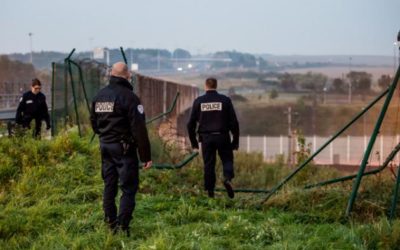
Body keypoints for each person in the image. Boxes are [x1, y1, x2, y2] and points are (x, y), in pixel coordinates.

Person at [90, 62, 152, 236]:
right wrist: (145, 156)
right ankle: (123, 226)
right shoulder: (130, 97)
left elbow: (94, 123)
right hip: (124, 149)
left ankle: (110, 224)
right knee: (128, 187)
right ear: (127, 75)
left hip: (105, 146)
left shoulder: (99, 96)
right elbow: (139, 129)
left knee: (109, 185)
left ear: (111, 74)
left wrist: (105, 136)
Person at [187, 77, 239, 199]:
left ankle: (210, 193)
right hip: (223, 136)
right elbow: (234, 123)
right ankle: (227, 179)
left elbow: (190, 124)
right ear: (216, 85)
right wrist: (235, 141)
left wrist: (194, 143)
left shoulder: (199, 101)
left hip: (206, 138)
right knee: (227, 160)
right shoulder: (225, 100)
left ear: (206, 86)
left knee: (209, 165)